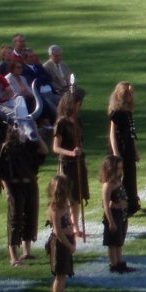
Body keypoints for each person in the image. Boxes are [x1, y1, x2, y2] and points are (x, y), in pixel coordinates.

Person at [0, 125, 48, 266]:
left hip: (30, 185)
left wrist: (35, 132)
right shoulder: (7, 148)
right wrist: (7, 191)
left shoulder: (28, 145)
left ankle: (26, 252)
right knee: (15, 221)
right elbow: (2, 173)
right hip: (16, 187)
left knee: (31, 217)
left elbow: (44, 151)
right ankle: (14, 258)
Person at [52, 90, 88, 241]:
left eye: (79, 105)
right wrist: (71, 153)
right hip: (67, 164)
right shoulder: (61, 123)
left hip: (79, 163)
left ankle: (76, 226)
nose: (78, 107)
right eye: (76, 104)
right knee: (69, 197)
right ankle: (68, 227)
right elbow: (55, 147)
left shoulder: (78, 121)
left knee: (78, 197)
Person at [107, 81, 141, 216]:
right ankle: (119, 204)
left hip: (128, 148)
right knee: (119, 178)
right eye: (128, 93)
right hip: (120, 149)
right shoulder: (116, 113)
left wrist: (135, 150)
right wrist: (116, 154)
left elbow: (131, 133)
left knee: (130, 176)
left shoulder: (128, 111)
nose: (131, 96)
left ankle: (132, 204)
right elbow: (112, 135)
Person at [45, 175, 76, 292]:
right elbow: (58, 231)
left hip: (67, 240)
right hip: (60, 243)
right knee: (60, 274)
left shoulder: (64, 205)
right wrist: (69, 246)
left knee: (64, 272)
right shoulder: (55, 209)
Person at [99, 155, 132, 274]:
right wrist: (111, 222)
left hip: (121, 215)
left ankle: (119, 262)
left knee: (119, 240)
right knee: (112, 243)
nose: (120, 170)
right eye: (118, 168)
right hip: (112, 216)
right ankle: (113, 264)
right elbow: (105, 204)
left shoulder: (118, 181)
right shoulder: (108, 185)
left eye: (121, 168)